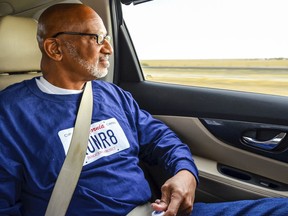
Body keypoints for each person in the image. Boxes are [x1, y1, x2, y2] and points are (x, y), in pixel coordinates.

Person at [0, 3, 287, 216]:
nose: (108, 49)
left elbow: (161, 139)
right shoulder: (10, 113)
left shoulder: (112, 95)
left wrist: (185, 172)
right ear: (55, 49)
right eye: (97, 39)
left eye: (107, 38)